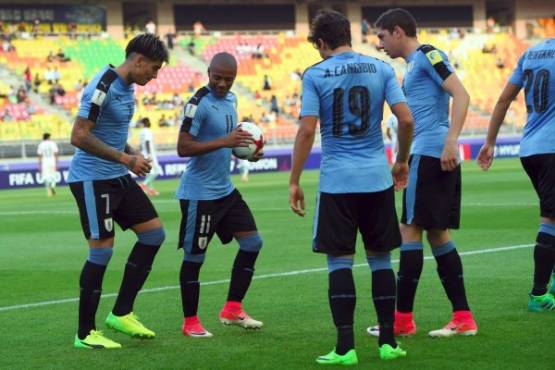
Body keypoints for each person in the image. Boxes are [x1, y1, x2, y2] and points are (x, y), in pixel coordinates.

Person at [289, 9, 414, 365]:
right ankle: (388, 342)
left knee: (339, 263)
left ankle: (345, 348)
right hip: (376, 179)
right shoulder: (381, 68)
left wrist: (294, 180)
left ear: (323, 43)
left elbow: (307, 130)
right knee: (380, 261)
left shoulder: (315, 74)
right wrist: (401, 159)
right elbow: (405, 119)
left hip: (338, 182)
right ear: (349, 34)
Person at [368, 8, 477, 338]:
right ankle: (462, 317)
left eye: (382, 37)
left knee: (410, 230)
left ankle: (403, 321)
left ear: (398, 31)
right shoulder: (413, 66)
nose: (380, 44)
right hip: (426, 154)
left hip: (430, 154)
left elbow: (461, 93)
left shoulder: (428, 55)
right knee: (435, 233)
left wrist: (451, 140)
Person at [68, 33, 169, 349]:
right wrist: (126, 158)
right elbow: (79, 136)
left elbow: (109, 135)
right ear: (138, 60)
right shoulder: (103, 85)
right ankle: (85, 333)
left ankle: (122, 312)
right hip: (91, 178)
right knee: (102, 250)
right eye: (152, 69)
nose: (153, 77)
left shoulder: (127, 88)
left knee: (154, 235)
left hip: (116, 175)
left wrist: (131, 153)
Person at [176, 52, 264, 338]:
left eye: (229, 79)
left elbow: (228, 145)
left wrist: (245, 155)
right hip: (198, 194)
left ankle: (232, 308)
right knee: (195, 258)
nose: (223, 84)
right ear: (208, 71)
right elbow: (183, 147)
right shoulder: (197, 104)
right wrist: (225, 141)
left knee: (252, 243)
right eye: (218, 78)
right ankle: (190, 323)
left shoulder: (232, 100)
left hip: (224, 191)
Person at [477, 38, 555, 311]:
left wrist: (489, 141)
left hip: (530, 148)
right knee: (550, 220)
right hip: (553, 148)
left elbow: (504, 99)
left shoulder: (530, 53)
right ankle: (538, 295)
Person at [139, 118, 161, 196]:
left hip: (143, 153)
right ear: (147, 123)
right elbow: (147, 142)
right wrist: (149, 154)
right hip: (149, 154)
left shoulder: (141, 132)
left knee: (150, 172)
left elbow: (141, 145)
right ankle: (143, 185)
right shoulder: (147, 131)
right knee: (157, 171)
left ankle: (151, 190)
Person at [37, 132, 59, 197]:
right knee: (53, 175)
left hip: (45, 162)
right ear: (48, 137)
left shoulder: (41, 144)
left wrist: (39, 164)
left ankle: (48, 191)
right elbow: (56, 153)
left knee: (45, 177)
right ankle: (52, 186)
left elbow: (40, 155)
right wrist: (57, 163)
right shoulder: (53, 143)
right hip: (52, 161)